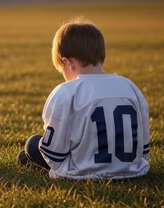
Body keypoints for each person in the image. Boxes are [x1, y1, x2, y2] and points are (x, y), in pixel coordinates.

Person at [18, 18, 150, 179]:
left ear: (67, 62)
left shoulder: (65, 92)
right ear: (102, 58)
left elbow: (53, 154)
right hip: (133, 170)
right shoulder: (130, 87)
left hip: (83, 173)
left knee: (32, 144)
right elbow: (144, 147)